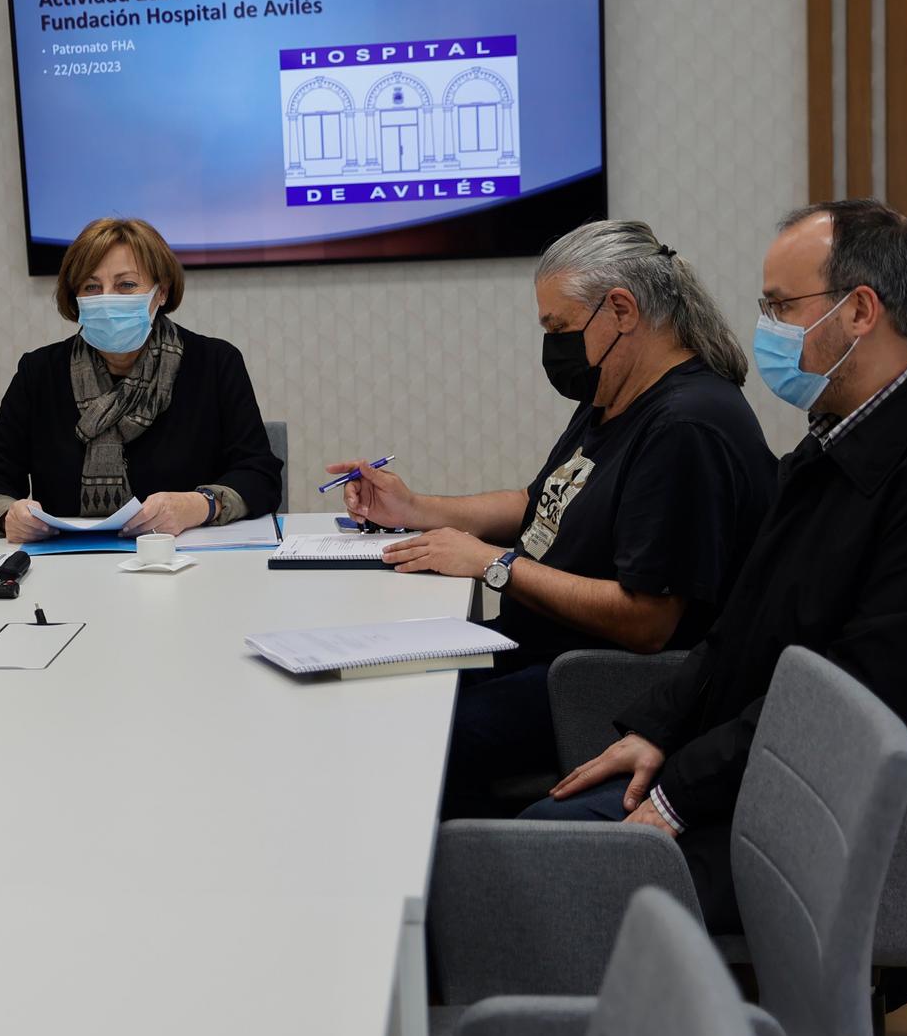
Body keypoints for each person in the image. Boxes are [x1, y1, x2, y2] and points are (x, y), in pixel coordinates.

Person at [529, 200, 907, 939]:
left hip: (838, 815)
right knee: (540, 836)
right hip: (754, 773)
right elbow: (744, 625)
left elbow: (857, 697)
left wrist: (678, 791)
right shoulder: (840, 434)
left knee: (534, 885)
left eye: (780, 305)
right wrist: (661, 728)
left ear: (859, 310)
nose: (765, 326)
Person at [327, 220, 776, 820]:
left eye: (558, 328)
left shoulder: (685, 428)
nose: (552, 347)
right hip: (538, 650)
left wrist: (493, 566)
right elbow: (540, 504)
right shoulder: (614, 394)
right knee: (383, 690)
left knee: (416, 736)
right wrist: (416, 510)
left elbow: (647, 621)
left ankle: (457, 890)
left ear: (621, 310)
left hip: (592, 683)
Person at [0, 217, 283, 541]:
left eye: (126, 285)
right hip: (66, 571)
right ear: (76, 298)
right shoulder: (40, 371)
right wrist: (6, 515)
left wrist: (198, 505)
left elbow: (260, 475)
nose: (107, 299)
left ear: (161, 292)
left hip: (187, 562)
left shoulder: (215, 363)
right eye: (92, 287)